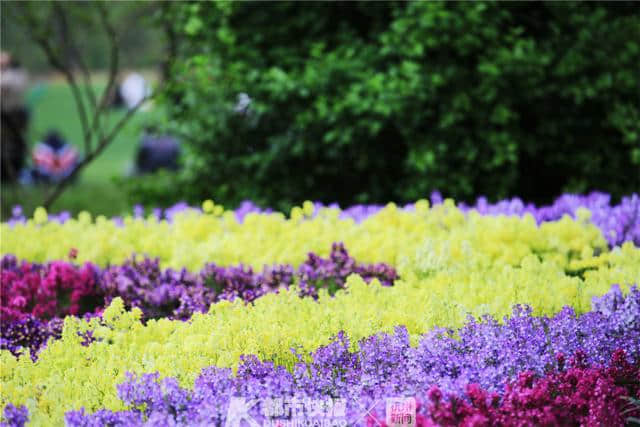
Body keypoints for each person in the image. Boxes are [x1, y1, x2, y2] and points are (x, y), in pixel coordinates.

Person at [1, 52, 29, 182]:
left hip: (14, 116)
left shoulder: (17, 74)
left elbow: (11, 85)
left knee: (14, 147)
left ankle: (13, 175)